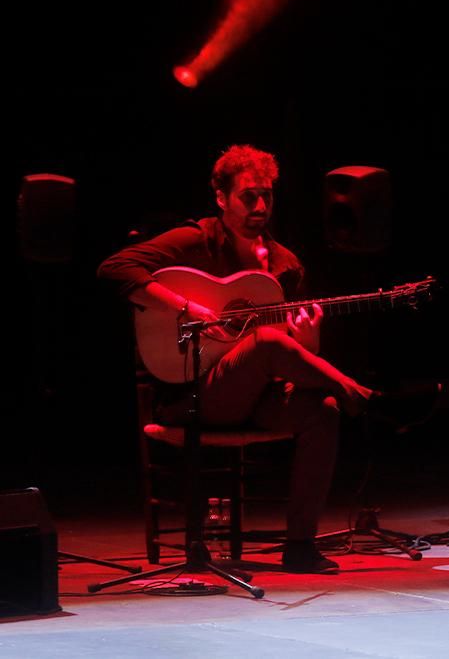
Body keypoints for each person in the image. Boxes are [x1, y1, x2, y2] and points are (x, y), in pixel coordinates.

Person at [98, 144, 378, 574]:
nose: (260, 206)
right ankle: (365, 396)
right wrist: (185, 308)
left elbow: (297, 357)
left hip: (257, 398)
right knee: (266, 340)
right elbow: (115, 268)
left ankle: (300, 546)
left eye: (267, 195)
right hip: (189, 394)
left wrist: (309, 338)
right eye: (249, 196)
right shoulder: (196, 240)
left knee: (323, 410)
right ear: (221, 197)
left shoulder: (286, 265)